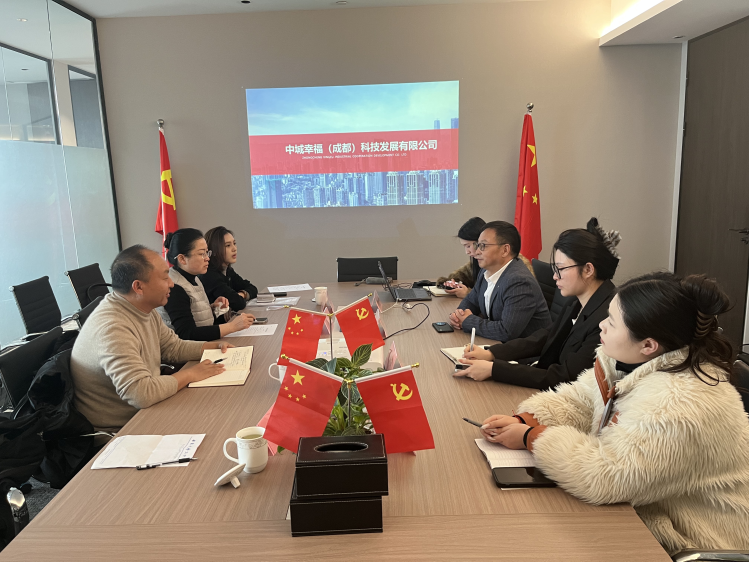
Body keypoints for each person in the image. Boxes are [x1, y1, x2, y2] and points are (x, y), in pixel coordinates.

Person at [479, 272, 749, 554]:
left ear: (648, 345)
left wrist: (531, 438)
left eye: (611, 321)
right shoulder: (626, 360)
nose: (601, 325)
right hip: (645, 508)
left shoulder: (680, 402)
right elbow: (582, 400)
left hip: (693, 538)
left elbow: (607, 476)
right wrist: (527, 420)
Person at [70, 245, 232, 436]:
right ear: (138, 287)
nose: (171, 284)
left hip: (148, 410)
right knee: (217, 425)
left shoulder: (142, 308)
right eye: (165, 278)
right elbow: (141, 394)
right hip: (123, 430)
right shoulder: (112, 327)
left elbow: (172, 347)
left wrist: (212, 347)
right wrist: (191, 374)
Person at [457, 218, 620, 389]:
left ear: (588, 270)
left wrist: (494, 369)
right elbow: (545, 337)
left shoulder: (607, 318)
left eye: (560, 269)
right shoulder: (578, 302)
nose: (555, 276)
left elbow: (566, 376)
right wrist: (491, 353)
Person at [448, 221, 550, 341]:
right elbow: (472, 300)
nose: (477, 251)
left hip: (524, 350)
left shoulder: (519, 281)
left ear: (505, 250)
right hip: (498, 343)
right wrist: (458, 316)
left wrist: (467, 321)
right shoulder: (486, 271)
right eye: (477, 245)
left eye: (483, 246)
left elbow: (506, 331)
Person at [162, 228, 254, 341]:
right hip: (186, 352)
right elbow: (186, 334)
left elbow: (197, 320)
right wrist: (231, 327)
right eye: (202, 254)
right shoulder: (174, 287)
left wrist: (213, 309)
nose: (207, 258)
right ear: (182, 259)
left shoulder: (194, 278)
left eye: (207, 252)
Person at [200, 226, 259, 312]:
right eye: (228, 245)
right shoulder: (209, 275)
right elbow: (238, 303)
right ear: (214, 251)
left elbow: (253, 288)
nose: (234, 249)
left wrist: (241, 294)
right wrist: (240, 296)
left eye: (234, 243)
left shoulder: (227, 271)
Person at [437, 217, 485, 299]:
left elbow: (491, 298)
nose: (467, 252)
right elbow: (462, 275)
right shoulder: (475, 262)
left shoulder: (494, 265)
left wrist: (468, 294)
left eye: (468, 246)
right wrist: (451, 283)